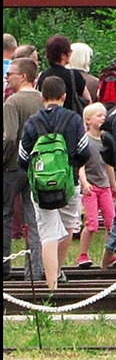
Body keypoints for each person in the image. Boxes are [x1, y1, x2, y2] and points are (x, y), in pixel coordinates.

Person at [18, 76, 91, 290]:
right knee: (69, 227)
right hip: (68, 184)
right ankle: (58, 272)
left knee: (47, 234)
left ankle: (51, 287)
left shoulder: (33, 122)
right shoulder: (74, 119)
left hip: (40, 188)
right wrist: (72, 168)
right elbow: (84, 152)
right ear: (64, 96)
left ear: (42, 97)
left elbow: (22, 158)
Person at [3, 57, 46, 284]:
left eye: (11, 73)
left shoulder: (12, 103)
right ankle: (35, 272)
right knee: (34, 218)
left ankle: (4, 267)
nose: (7, 77)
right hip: (38, 167)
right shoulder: (42, 100)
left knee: (5, 216)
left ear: (24, 76)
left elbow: (9, 137)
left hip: (12, 167)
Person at [75, 103, 116, 267]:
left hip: (105, 186)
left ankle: (109, 255)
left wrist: (114, 186)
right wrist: (84, 182)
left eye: (104, 115)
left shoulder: (107, 139)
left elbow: (109, 164)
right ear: (88, 120)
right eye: (99, 116)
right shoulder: (85, 140)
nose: (103, 118)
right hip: (91, 187)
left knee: (111, 223)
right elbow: (81, 165)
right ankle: (82, 255)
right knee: (92, 224)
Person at [39, 35, 93, 115]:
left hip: (48, 120)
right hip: (71, 121)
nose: (71, 53)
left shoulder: (43, 76)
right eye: (69, 51)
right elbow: (88, 101)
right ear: (63, 56)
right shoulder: (74, 75)